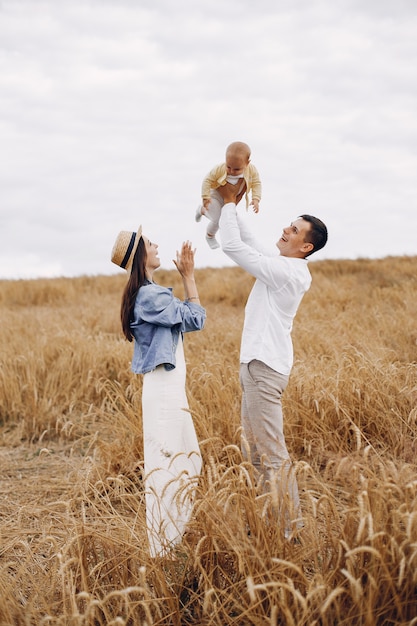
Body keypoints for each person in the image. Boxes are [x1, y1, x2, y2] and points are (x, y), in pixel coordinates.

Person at [217, 181, 328, 540]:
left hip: (265, 370)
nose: (285, 230)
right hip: (253, 366)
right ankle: (268, 524)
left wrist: (231, 204)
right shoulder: (281, 264)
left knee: (273, 454)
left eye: (293, 230)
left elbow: (234, 246)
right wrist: (228, 206)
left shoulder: (288, 273)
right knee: (256, 455)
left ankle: (290, 532)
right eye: (288, 225)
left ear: (305, 246)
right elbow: (251, 242)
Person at [111, 228, 206, 557]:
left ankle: (173, 542)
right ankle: (164, 554)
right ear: (141, 256)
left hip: (168, 389)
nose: (156, 246)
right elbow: (196, 319)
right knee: (167, 471)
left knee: (190, 462)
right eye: (150, 244)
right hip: (165, 390)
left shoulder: (147, 292)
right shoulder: (151, 296)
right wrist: (189, 277)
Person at [195, 141, 262, 249]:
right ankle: (210, 236)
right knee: (218, 219)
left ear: (247, 163)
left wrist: (256, 199)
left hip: (231, 200)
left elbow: (257, 183)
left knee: (227, 219)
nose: (231, 171)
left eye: (236, 169)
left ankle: (202, 210)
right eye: (228, 166)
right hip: (215, 196)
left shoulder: (252, 170)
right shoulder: (220, 168)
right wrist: (205, 196)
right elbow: (207, 180)